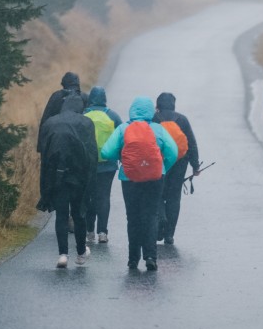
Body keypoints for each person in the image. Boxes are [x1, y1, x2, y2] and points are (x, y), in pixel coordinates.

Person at [101, 96, 177, 271]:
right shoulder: (158, 129)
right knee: (151, 216)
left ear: (132, 111)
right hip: (155, 178)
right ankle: (150, 256)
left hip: (129, 178)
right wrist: (163, 167)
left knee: (133, 218)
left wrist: (123, 159)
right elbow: (173, 151)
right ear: (151, 111)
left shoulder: (123, 129)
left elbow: (106, 152)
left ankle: (133, 259)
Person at [37, 95, 98, 268]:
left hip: (57, 176)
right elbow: (92, 154)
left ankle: (63, 254)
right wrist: (91, 181)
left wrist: (46, 182)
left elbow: (44, 154)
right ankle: (80, 253)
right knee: (79, 215)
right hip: (79, 177)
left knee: (61, 216)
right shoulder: (86, 123)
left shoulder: (50, 123)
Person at [154, 92, 201, 245]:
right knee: (174, 197)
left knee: (158, 194)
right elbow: (192, 144)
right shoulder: (182, 119)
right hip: (180, 163)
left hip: (159, 162)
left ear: (158, 105)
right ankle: (169, 235)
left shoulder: (154, 119)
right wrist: (195, 166)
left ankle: (160, 218)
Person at [83, 86, 123, 244]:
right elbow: (122, 138)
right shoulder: (113, 116)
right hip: (108, 165)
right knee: (104, 197)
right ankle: (102, 232)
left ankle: (89, 230)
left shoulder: (83, 115)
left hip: (87, 164)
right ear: (104, 99)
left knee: (88, 196)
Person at [37, 71, 88, 153]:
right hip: (79, 142)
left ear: (63, 84)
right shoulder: (84, 97)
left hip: (57, 141)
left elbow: (45, 120)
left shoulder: (56, 96)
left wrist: (41, 147)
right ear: (77, 83)